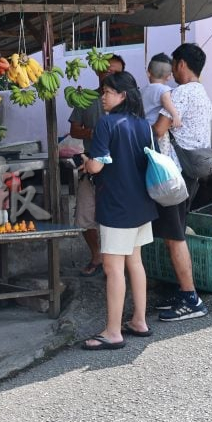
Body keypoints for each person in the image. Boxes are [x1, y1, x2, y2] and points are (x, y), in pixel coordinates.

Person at [80, 72, 158, 350]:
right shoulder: (144, 124)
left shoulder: (107, 123)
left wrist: (86, 162)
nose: (103, 97)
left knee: (113, 268)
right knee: (135, 262)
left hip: (116, 205)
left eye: (108, 92)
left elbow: (97, 166)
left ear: (122, 95)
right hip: (142, 204)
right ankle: (139, 320)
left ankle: (113, 331)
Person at [151, 43, 212, 322]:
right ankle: (183, 291)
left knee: (175, 236)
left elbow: (159, 129)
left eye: (174, 65)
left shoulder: (181, 93)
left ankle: (191, 299)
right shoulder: (202, 93)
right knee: (175, 234)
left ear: (181, 64)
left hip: (175, 176)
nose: (172, 72)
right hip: (192, 173)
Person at [69, 54, 125, 275]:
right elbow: (74, 129)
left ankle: (117, 263)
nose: (110, 75)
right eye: (107, 71)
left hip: (119, 167)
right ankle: (97, 256)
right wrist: (93, 133)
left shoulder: (128, 100)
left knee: (117, 217)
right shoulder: (86, 98)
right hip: (90, 164)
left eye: (116, 72)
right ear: (98, 71)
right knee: (84, 216)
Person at [142, 53, 182, 128]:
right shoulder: (165, 90)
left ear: (148, 73)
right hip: (154, 126)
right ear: (169, 77)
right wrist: (175, 115)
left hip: (143, 126)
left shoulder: (142, 91)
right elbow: (165, 100)